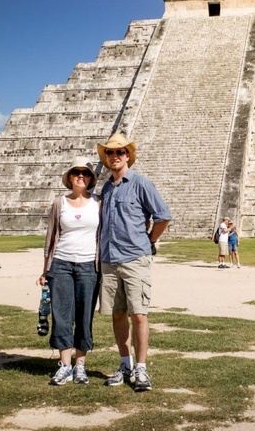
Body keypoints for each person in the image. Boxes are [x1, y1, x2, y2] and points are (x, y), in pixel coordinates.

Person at [97, 133, 171, 392]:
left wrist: (149, 241)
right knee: (117, 314)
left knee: (138, 314)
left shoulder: (141, 184)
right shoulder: (106, 188)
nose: (114, 156)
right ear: (106, 158)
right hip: (109, 259)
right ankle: (125, 364)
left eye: (120, 152)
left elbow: (163, 216)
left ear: (127, 155)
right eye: (110, 152)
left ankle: (141, 368)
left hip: (134, 258)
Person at [38, 156, 101, 386]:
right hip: (61, 264)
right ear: (70, 176)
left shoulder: (99, 202)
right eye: (76, 172)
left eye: (85, 173)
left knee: (84, 316)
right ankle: (65, 365)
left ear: (91, 178)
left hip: (89, 266)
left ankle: (80, 365)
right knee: (62, 315)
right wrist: (45, 269)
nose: (80, 176)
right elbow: (50, 237)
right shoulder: (59, 203)